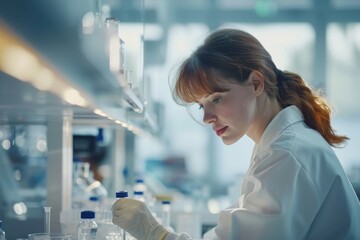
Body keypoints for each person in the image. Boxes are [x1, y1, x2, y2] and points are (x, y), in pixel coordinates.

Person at [112, 28, 360, 240]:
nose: (207, 117)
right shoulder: (280, 144)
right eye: (201, 105)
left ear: (255, 83)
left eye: (216, 98)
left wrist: (157, 235)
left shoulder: (287, 154)